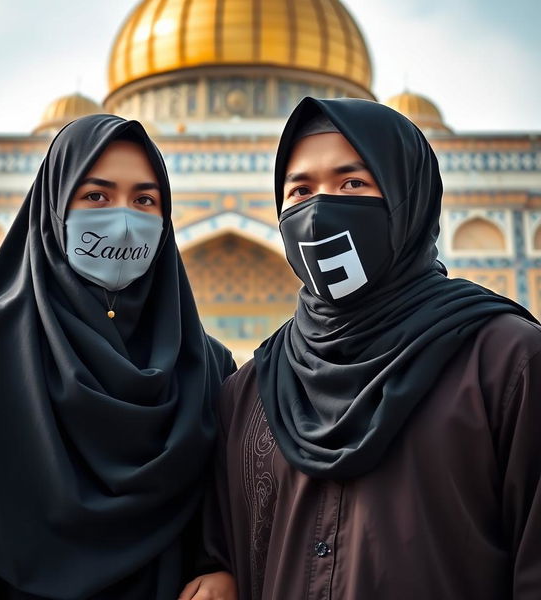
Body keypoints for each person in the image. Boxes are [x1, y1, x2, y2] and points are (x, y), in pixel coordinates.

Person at [200, 97, 541, 599]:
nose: (319, 211)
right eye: (300, 190)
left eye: (352, 183)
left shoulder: (504, 362)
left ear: (409, 195)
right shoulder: (253, 388)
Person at [0, 114, 238, 599]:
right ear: (55, 207)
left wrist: (223, 568)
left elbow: (221, 519)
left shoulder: (203, 366)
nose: (123, 222)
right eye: (96, 196)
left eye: (145, 200)